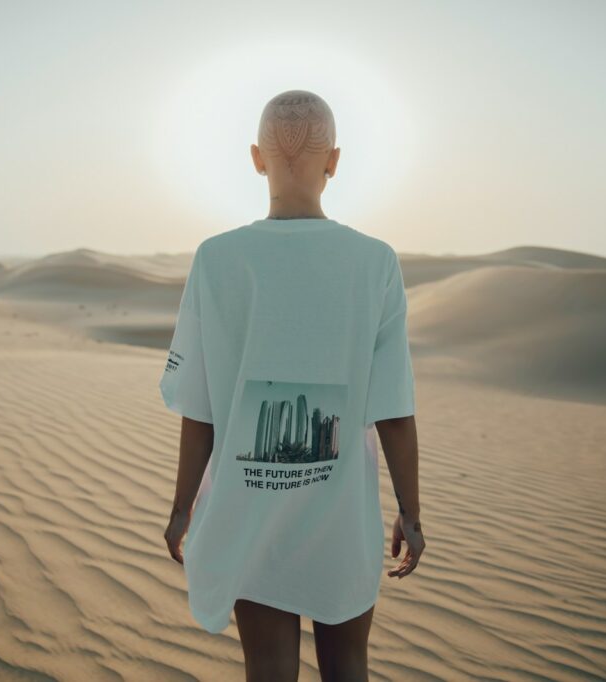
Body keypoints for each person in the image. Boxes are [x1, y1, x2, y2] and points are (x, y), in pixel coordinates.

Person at [160, 89, 424, 682]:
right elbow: (395, 408)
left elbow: (198, 404)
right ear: (335, 160)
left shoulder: (217, 258)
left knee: (270, 671)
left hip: (249, 508)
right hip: (342, 515)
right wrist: (410, 511)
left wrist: (182, 509)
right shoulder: (376, 261)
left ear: (257, 158)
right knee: (348, 666)